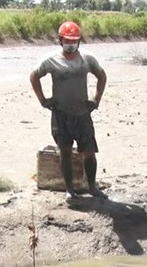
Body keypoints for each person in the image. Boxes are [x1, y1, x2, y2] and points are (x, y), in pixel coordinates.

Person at [29, 21, 108, 202]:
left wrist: (96, 100)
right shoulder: (51, 60)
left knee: (89, 152)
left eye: (74, 41)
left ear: (79, 41)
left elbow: (101, 75)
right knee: (64, 151)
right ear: (60, 40)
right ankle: (70, 190)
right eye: (67, 40)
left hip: (82, 114)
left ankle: (92, 186)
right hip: (60, 114)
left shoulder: (88, 59)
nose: (70, 44)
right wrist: (43, 100)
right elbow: (34, 76)